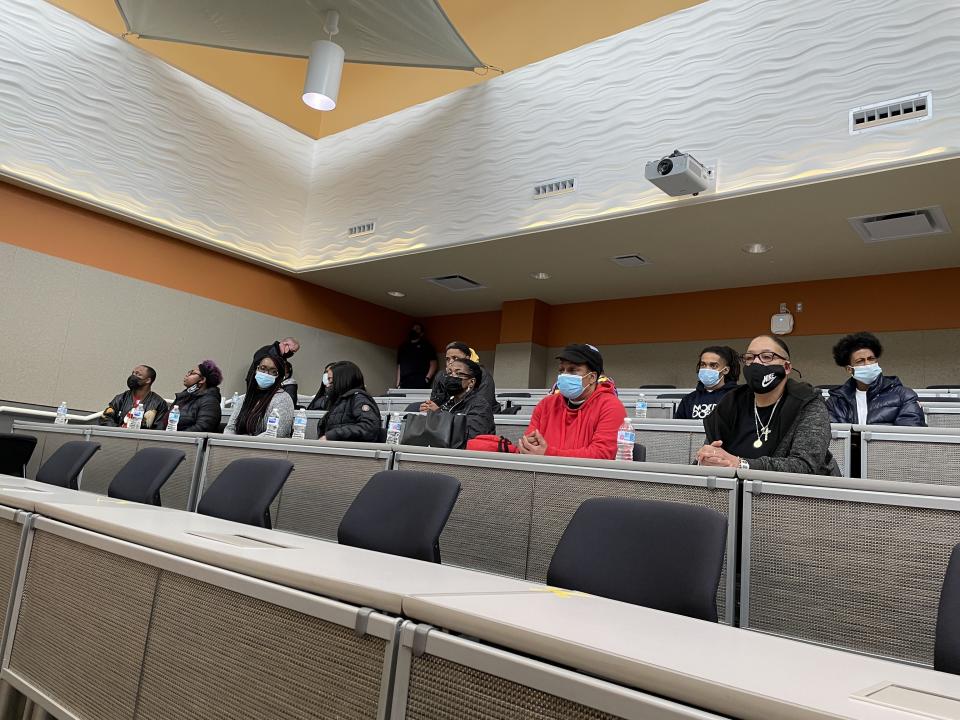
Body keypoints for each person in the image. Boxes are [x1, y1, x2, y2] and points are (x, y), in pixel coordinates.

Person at [696, 335, 839, 475]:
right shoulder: (731, 402)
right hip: (735, 492)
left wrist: (742, 465)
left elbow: (804, 465)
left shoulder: (808, 403)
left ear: (787, 367)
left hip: (796, 495)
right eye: (750, 358)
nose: (756, 363)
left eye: (767, 357)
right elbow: (710, 450)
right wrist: (707, 458)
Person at [518, 344, 626, 459]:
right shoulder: (545, 405)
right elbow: (529, 446)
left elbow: (601, 455)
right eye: (561, 370)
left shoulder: (611, 407)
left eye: (572, 370)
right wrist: (526, 446)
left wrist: (548, 454)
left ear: (592, 377)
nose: (564, 375)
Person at [825, 332, 926, 426]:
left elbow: (909, 439)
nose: (868, 364)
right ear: (849, 370)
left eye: (871, 359)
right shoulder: (836, 402)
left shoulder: (904, 396)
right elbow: (833, 440)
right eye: (860, 361)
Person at [429, 357, 495, 445]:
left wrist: (438, 413)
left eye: (458, 373)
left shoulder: (480, 405)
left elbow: (472, 437)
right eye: (449, 373)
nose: (452, 377)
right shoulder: (449, 403)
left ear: (471, 382)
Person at [225, 354, 294, 437]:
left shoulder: (283, 399)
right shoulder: (245, 398)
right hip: (236, 447)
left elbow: (277, 433)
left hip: (265, 448)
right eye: (262, 368)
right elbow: (230, 428)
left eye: (272, 371)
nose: (266, 373)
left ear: (279, 376)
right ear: (257, 369)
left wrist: (246, 443)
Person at [422, 342, 498, 412]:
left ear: (467, 358)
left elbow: (482, 407)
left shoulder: (482, 374)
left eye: (455, 358)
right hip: (448, 418)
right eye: (448, 359)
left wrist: (439, 411)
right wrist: (429, 407)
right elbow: (435, 402)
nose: (451, 362)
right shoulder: (442, 376)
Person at [316, 361, 382, 442]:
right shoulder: (340, 401)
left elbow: (369, 427)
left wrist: (333, 435)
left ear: (342, 380)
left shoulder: (359, 398)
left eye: (330, 380)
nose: (327, 385)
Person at [674, 346, 740, 420]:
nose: (707, 369)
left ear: (726, 370)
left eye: (713, 365)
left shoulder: (737, 397)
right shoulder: (689, 399)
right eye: (703, 365)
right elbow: (679, 428)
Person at [159, 360, 224, 433]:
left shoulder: (210, 401)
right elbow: (164, 422)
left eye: (192, 373)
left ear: (202, 380)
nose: (187, 375)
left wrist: (177, 438)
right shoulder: (183, 397)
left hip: (185, 442)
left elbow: (203, 427)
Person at [99, 365, 168, 429]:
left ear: (148, 380)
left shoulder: (159, 403)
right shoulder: (121, 398)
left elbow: (159, 428)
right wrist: (118, 431)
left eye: (138, 374)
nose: (134, 376)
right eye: (133, 373)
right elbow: (106, 418)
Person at [396, 323, 437, 389]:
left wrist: (427, 378)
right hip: (405, 381)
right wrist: (398, 383)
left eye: (417, 329)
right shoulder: (403, 347)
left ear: (421, 333)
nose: (414, 330)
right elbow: (399, 366)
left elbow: (433, 364)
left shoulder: (427, 346)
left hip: (420, 380)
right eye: (413, 328)